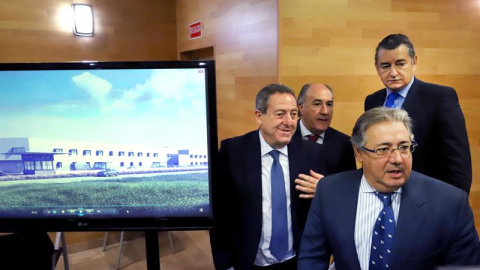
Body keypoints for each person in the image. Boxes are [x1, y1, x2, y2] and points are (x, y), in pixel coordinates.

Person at [298, 107, 480, 270]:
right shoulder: (329, 192)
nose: (397, 159)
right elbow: (312, 258)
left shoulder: (451, 203)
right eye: (383, 149)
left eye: (404, 147)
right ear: (358, 152)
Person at [210, 84, 326, 270]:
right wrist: (225, 265)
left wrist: (324, 191)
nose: (289, 122)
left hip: (297, 261)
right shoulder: (232, 152)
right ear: (259, 116)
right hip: (248, 261)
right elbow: (220, 214)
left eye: (293, 114)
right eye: (280, 114)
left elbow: (323, 213)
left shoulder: (313, 154)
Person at [364, 33, 471, 193]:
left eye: (400, 64)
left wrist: (455, 208)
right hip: (383, 196)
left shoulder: (440, 97)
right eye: (386, 66)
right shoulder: (372, 101)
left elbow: (458, 164)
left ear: (414, 62)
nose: (393, 73)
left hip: (428, 198)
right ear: (377, 67)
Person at [296, 83, 356, 174]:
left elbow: (349, 185)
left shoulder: (344, 144)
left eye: (329, 104)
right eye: (317, 104)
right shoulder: (286, 138)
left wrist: (324, 186)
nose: (325, 111)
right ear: (301, 108)